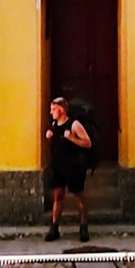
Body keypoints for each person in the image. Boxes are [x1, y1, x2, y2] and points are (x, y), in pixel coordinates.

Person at [44, 90, 95, 245]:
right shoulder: (54, 124)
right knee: (58, 195)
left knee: (78, 195)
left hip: (74, 166)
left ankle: (83, 226)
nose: (51, 112)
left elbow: (87, 143)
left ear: (61, 110)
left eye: (53, 109)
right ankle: (54, 227)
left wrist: (72, 138)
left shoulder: (74, 124)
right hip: (59, 166)